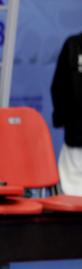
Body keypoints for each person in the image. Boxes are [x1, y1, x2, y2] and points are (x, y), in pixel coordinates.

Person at [51, 32, 82, 195]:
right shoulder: (73, 44)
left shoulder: (73, 44)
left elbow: (58, 86)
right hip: (76, 134)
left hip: (75, 131)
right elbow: (59, 86)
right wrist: (61, 117)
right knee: (74, 193)